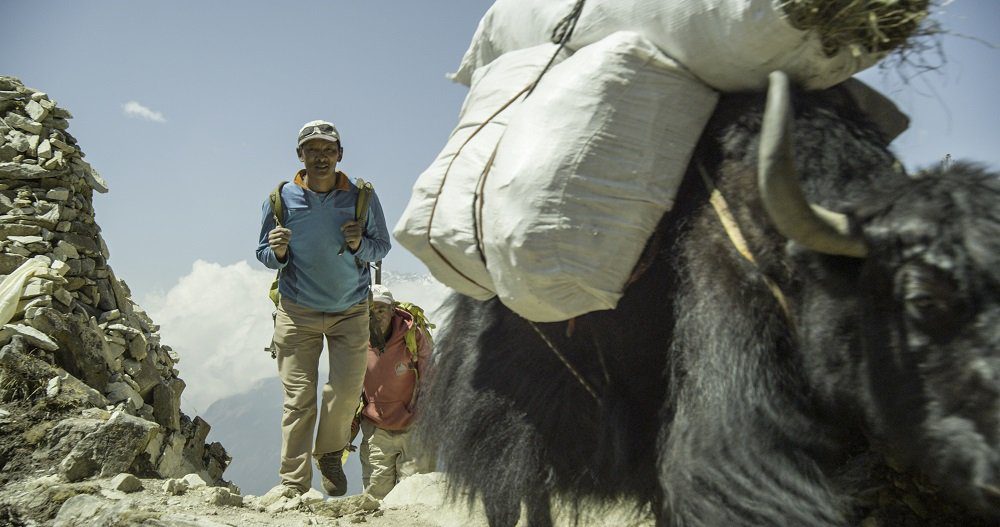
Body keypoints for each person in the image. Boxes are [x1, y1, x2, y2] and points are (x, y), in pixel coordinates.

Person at [256, 120, 391, 497]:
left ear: (340, 155)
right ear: (300, 156)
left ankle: (329, 453)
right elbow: (263, 253)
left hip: (350, 310)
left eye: (328, 150)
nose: (320, 157)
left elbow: (381, 246)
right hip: (297, 311)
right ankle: (293, 485)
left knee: (347, 391)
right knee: (299, 399)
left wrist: (358, 245)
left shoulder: (361, 197)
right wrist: (279, 252)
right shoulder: (280, 199)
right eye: (312, 150)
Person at [359, 285, 435, 499]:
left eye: (381, 309)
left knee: (414, 498)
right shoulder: (356, 338)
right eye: (371, 310)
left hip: (414, 426)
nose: (376, 315)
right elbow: (348, 385)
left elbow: (431, 376)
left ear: (393, 311)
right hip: (376, 428)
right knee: (376, 496)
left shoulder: (413, 336)